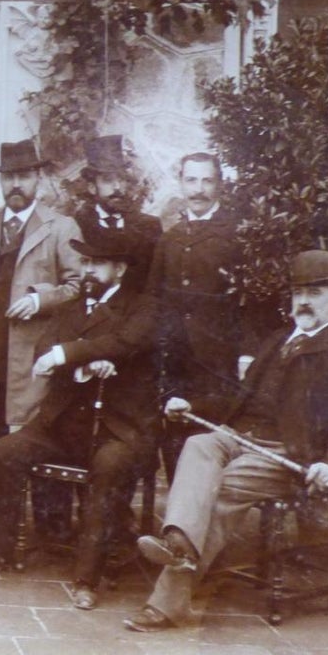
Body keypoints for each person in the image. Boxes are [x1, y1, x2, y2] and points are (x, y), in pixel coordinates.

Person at [124, 249, 328, 632]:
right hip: (240, 437)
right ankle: (179, 542)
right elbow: (238, 398)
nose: (304, 301)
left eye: (315, 293)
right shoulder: (277, 340)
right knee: (198, 445)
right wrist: (192, 405)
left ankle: (166, 604)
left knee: (219, 491)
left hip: (288, 455)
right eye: (298, 292)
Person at [0, 232, 159, 611]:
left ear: (119, 269)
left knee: (109, 466)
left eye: (97, 264)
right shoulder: (71, 308)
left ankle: (87, 578)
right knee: (3, 451)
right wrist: (84, 365)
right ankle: (1, 552)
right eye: (84, 263)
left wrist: (67, 354)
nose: (87, 270)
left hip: (117, 428)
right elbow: (43, 349)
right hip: (63, 423)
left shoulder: (143, 308)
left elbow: (124, 344)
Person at [0, 139, 82, 527]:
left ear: (37, 178)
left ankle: (51, 525)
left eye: (23, 176)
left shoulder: (60, 227)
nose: (16, 185)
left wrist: (40, 299)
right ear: (0, 181)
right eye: (9, 177)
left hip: (35, 355)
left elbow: (78, 286)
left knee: (40, 433)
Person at [145, 152, 256, 481]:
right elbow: (154, 299)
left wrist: (247, 353)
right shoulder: (170, 239)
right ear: (181, 184)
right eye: (191, 180)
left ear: (219, 184)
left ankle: (205, 513)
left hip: (219, 361)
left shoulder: (236, 234)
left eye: (207, 180)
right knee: (175, 438)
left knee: (210, 444)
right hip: (176, 360)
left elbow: (252, 302)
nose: (199, 189)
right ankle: (178, 513)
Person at [72, 135, 162, 291]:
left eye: (121, 179)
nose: (117, 187)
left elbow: (157, 283)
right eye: (108, 180)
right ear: (92, 187)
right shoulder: (77, 226)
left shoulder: (149, 226)